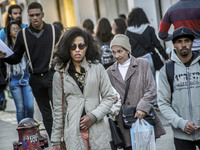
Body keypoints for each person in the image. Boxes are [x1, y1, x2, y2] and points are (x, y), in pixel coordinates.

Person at [0, 2, 61, 138]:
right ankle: (54, 142)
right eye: (32, 15)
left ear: (42, 15)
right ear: (27, 16)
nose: (35, 18)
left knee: (59, 112)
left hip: (52, 75)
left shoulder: (54, 30)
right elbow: (16, 57)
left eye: (37, 15)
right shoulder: (23, 34)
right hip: (35, 78)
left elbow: (62, 53)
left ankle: (62, 139)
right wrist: (4, 56)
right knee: (46, 114)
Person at [51, 27, 115, 150]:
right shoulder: (60, 74)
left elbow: (109, 97)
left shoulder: (97, 68)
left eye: (81, 46)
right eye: (73, 47)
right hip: (74, 132)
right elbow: (58, 109)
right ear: (67, 48)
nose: (77, 50)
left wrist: (93, 116)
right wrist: (55, 140)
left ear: (87, 47)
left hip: (97, 128)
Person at [107, 34, 166, 150]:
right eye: (113, 52)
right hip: (123, 124)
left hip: (143, 120)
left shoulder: (142, 64)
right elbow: (108, 94)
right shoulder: (109, 72)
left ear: (128, 50)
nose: (116, 55)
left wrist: (143, 107)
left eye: (120, 51)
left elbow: (151, 89)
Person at [157, 26, 200, 150]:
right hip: (182, 135)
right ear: (174, 45)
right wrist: (181, 123)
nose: (183, 45)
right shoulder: (167, 70)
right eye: (179, 42)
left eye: (187, 40)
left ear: (192, 42)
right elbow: (163, 103)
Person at [125, 7, 169, 79]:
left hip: (136, 60)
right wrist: (166, 57)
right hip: (149, 58)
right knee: (152, 83)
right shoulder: (149, 28)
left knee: (140, 84)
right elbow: (157, 44)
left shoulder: (128, 32)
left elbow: (127, 48)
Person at [5, 20, 34, 123]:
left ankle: (31, 128)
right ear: (9, 32)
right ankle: (22, 132)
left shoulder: (26, 44)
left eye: (18, 29)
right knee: (20, 108)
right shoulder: (7, 47)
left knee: (30, 106)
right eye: (13, 29)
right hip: (14, 81)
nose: (16, 31)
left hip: (27, 79)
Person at [0, 4, 27, 111]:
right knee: (20, 107)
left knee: (29, 105)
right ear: (10, 15)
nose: (18, 15)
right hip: (11, 72)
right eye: (15, 13)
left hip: (27, 72)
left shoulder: (26, 29)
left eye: (20, 13)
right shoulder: (4, 32)